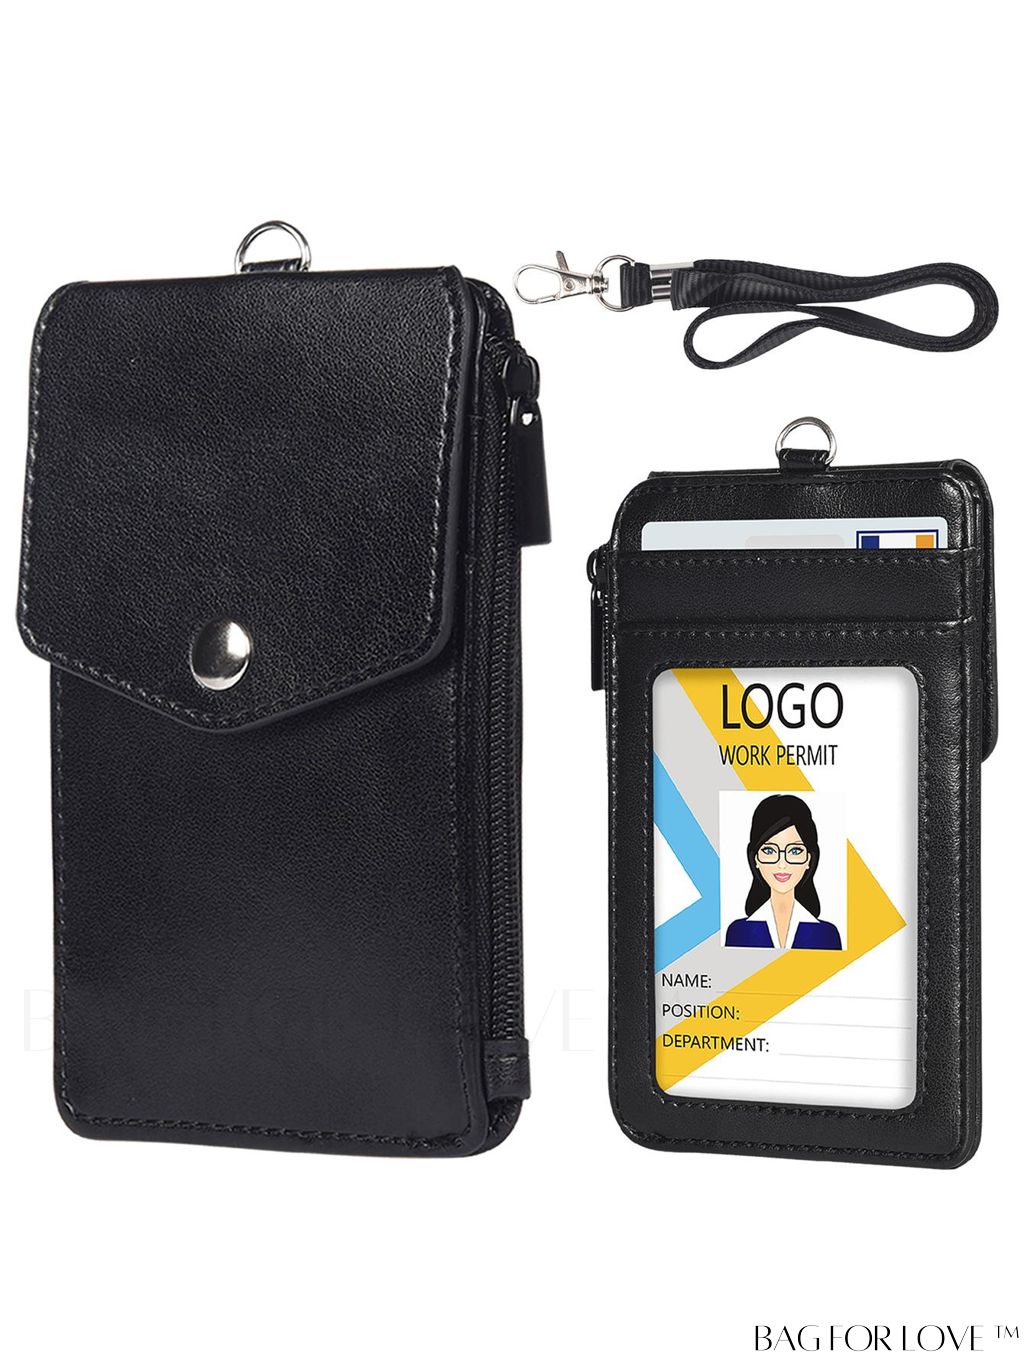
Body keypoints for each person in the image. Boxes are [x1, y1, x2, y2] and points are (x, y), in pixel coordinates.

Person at [725, 793, 841, 950]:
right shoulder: (739, 932)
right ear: (755, 858)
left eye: (794, 851)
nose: (782, 864)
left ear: (809, 859)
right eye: (769, 851)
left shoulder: (826, 934)